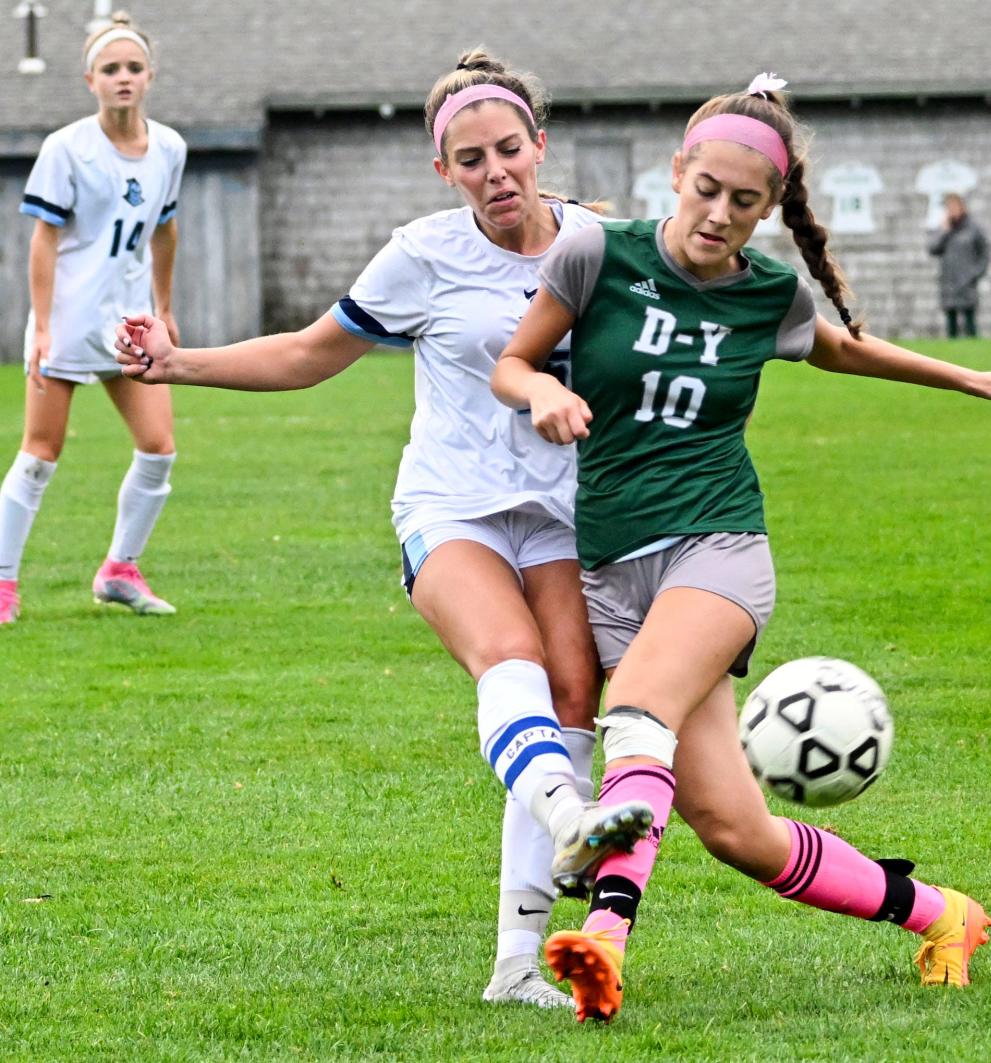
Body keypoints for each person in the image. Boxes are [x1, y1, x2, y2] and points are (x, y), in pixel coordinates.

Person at [491, 74, 991, 1024]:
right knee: (734, 828)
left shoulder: (770, 295)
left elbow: (844, 350)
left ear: (774, 206)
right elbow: (514, 360)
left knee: (635, 708)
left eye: (744, 202)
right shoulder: (598, 254)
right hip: (610, 568)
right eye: (706, 188)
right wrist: (539, 392)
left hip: (718, 549)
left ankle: (603, 940)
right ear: (677, 171)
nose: (719, 214)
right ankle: (945, 913)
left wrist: (973, 378)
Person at [112, 49, 652, 1010]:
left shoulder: (602, 246)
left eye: (508, 151)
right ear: (443, 171)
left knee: (577, 690)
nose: (495, 173)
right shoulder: (424, 253)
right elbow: (309, 355)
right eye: (471, 159)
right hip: (452, 503)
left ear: (540, 147)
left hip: (567, 512)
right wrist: (175, 365)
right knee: (512, 660)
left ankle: (516, 966)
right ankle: (573, 819)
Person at [1, 11, 185, 626]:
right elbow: (43, 240)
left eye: (134, 68)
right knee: (40, 453)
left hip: (127, 325)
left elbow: (164, 230)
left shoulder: (170, 149)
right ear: (90, 80)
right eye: (111, 69)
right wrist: (43, 325)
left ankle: (119, 570)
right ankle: (2, 583)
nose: (123, 78)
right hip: (70, 322)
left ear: (151, 76)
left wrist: (164, 306)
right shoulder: (66, 149)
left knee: (158, 448)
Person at [928, 192, 989, 338]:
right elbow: (933, 249)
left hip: (967, 281)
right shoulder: (945, 229)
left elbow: (984, 254)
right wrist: (945, 231)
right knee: (951, 320)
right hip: (949, 280)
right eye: (949, 207)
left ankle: (975, 349)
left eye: (954, 206)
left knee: (969, 320)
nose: (951, 210)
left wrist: (975, 274)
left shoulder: (973, 228)